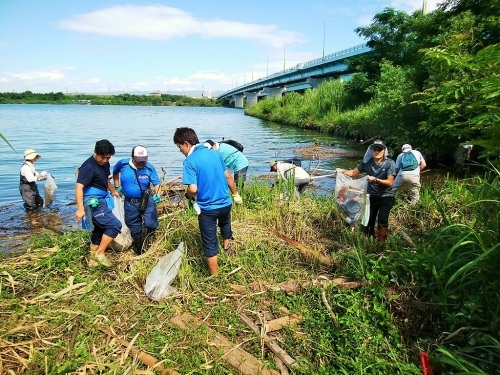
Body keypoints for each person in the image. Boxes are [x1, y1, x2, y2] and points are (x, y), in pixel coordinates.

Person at [173, 127, 242, 275]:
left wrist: (187, 197)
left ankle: (214, 276)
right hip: (225, 204)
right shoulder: (215, 154)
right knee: (225, 225)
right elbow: (229, 177)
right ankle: (227, 248)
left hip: (208, 209)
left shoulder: (189, 161)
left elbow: (192, 189)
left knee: (210, 242)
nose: (181, 151)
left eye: (179, 148)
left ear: (186, 143)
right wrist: (235, 194)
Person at [75, 140, 122, 267]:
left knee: (99, 229)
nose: (105, 160)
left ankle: (92, 261)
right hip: (93, 201)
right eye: (102, 157)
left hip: (102, 196)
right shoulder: (88, 167)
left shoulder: (105, 164)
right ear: (95, 152)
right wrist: (80, 209)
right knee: (114, 225)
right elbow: (79, 187)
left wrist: (113, 191)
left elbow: (105, 179)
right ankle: (100, 253)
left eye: (108, 158)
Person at [338, 140, 396, 242]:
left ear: (384, 151)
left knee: (382, 219)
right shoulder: (367, 163)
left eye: (379, 149)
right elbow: (353, 173)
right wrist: (341, 171)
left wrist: (376, 179)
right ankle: (369, 241)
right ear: (371, 151)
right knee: (369, 221)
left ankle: (382, 242)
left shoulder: (389, 163)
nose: (377, 151)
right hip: (371, 197)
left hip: (386, 196)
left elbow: (390, 182)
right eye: (375, 149)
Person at [112, 145, 162, 255]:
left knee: (151, 223)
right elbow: (115, 172)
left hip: (146, 199)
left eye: (143, 161)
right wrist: (117, 186)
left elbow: (157, 183)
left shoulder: (149, 168)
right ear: (132, 157)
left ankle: (150, 239)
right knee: (134, 226)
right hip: (130, 202)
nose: (141, 163)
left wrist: (158, 194)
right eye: (138, 161)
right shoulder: (123, 164)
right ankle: (139, 249)